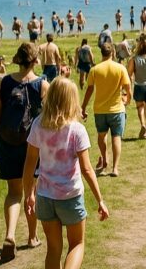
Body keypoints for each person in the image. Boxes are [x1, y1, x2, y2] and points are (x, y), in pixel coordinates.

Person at [23, 77, 109, 269]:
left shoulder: (38, 124)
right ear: (73, 101)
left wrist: (29, 193)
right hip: (70, 197)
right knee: (77, 244)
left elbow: (29, 163)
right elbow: (87, 169)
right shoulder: (77, 130)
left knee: (53, 249)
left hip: (45, 196)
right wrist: (100, 200)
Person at [0, 43, 50, 261]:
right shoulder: (43, 85)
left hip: (8, 144)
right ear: (35, 60)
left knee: (14, 192)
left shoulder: (4, 83)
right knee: (31, 191)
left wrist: (3, 138)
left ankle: (10, 235)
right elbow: (51, 119)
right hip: (32, 146)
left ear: (18, 59)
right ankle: (32, 236)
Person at [81, 43, 131, 177]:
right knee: (116, 138)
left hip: (100, 110)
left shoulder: (95, 70)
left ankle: (104, 160)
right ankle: (115, 168)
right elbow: (127, 87)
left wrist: (83, 107)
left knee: (101, 136)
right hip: (117, 109)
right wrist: (128, 99)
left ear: (101, 53)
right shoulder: (120, 68)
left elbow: (89, 90)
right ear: (113, 53)